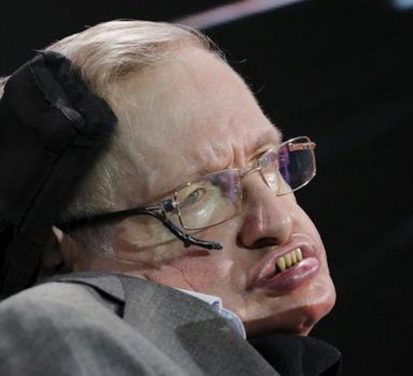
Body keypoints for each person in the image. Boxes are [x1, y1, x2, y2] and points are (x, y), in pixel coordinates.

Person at [0, 19, 339, 375]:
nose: (277, 222)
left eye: (268, 161)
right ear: (59, 254)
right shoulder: (48, 329)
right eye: (197, 197)